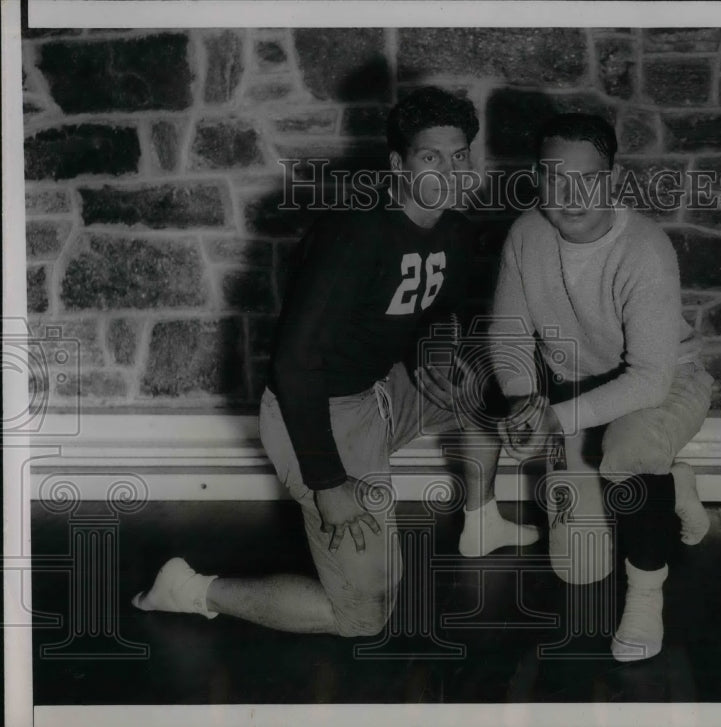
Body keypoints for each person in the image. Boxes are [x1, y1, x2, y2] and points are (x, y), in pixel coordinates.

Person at [132, 87, 538, 637]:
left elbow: (431, 316)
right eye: (431, 157)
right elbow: (294, 367)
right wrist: (328, 482)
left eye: (460, 154)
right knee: (363, 617)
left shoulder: (456, 232)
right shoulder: (352, 234)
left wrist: (435, 361)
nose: (451, 171)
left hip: (384, 389)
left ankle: (482, 520)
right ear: (399, 165)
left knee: (483, 387)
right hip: (322, 414)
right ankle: (189, 589)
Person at [489, 113, 714, 661]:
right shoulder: (526, 234)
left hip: (662, 385)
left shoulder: (645, 249)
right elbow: (510, 332)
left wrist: (555, 420)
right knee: (578, 568)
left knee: (629, 455)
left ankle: (645, 596)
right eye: (552, 177)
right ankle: (672, 483)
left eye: (586, 178)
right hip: (580, 394)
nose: (568, 194)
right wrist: (524, 399)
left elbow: (648, 379)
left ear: (612, 179)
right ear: (537, 179)